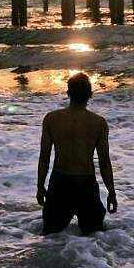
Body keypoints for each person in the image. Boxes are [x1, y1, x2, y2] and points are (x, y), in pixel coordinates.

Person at [37, 72, 117, 234]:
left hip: (60, 183)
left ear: (68, 93)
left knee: (51, 237)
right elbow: (104, 162)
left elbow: (44, 157)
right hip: (85, 184)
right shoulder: (98, 123)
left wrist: (40, 186)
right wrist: (111, 192)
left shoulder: (51, 119)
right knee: (94, 237)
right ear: (90, 94)